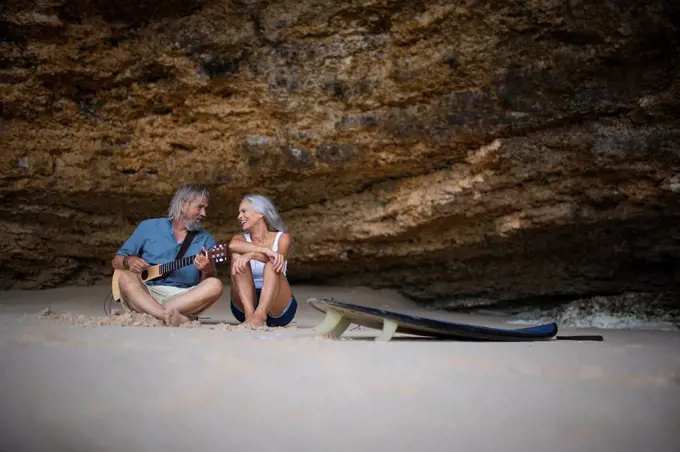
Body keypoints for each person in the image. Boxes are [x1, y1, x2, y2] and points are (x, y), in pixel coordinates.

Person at [111, 184, 223, 326]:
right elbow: (116, 261)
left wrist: (207, 270)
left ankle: (151, 313)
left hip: (184, 298)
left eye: (205, 208)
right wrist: (130, 260)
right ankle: (166, 315)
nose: (204, 213)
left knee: (215, 285)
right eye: (199, 207)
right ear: (183, 205)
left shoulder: (206, 239)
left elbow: (205, 283)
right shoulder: (148, 227)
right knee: (125, 278)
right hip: (146, 292)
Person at [229, 194, 297, 328]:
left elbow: (278, 260)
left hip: (277, 304)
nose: (239, 216)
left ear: (261, 213)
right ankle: (250, 315)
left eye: (243, 211)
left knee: (272, 264)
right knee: (236, 256)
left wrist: (252, 254)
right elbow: (232, 246)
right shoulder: (240, 239)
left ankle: (260, 316)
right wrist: (265, 251)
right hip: (246, 303)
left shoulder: (282, 238)